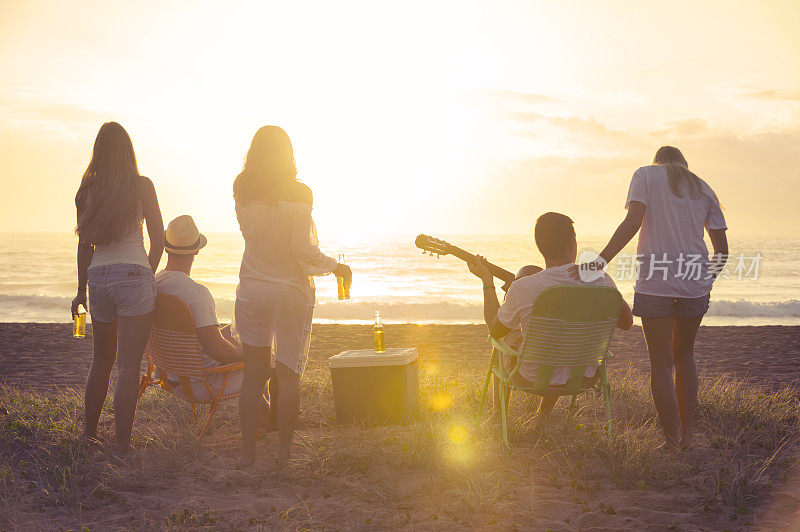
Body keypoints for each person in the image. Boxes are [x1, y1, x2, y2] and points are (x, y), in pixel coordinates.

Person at [575, 146, 728, 449]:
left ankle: (671, 442)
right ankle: (688, 434)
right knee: (685, 356)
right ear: (684, 164)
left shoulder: (644, 174)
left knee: (661, 364)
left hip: (655, 283)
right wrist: (704, 281)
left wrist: (600, 262)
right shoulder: (703, 186)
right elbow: (722, 252)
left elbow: (633, 223)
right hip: (694, 284)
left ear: (657, 161)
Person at [233, 126, 352, 467]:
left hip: (252, 289)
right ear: (288, 154)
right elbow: (303, 250)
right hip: (289, 292)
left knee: (254, 374)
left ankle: (248, 455)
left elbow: (252, 236)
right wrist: (335, 268)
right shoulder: (300, 192)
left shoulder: (242, 188)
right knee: (288, 375)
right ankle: (283, 456)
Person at [467, 212, 633, 430]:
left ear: (540, 246)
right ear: (572, 242)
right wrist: (601, 281)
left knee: (508, 341)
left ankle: (499, 417)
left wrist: (487, 282)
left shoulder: (523, 287)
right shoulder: (601, 280)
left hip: (532, 377)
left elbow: (494, 331)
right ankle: (542, 417)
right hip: (583, 375)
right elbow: (627, 322)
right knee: (564, 337)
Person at [71, 122, 164, 456]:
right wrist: (147, 274)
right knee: (129, 364)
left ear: (99, 151)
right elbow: (159, 237)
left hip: (99, 277)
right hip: (133, 274)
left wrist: (81, 289)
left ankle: (89, 435)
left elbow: (85, 246)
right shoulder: (141, 185)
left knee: (101, 360)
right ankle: (122, 445)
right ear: (128, 151)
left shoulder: (88, 189)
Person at [154, 215, 275, 424]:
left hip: (170, 376)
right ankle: (273, 421)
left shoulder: (155, 284)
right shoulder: (196, 294)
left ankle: (265, 414)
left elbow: (204, 339)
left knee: (239, 331)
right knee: (270, 362)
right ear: (196, 250)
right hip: (201, 383)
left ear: (165, 247)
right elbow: (216, 350)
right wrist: (248, 355)